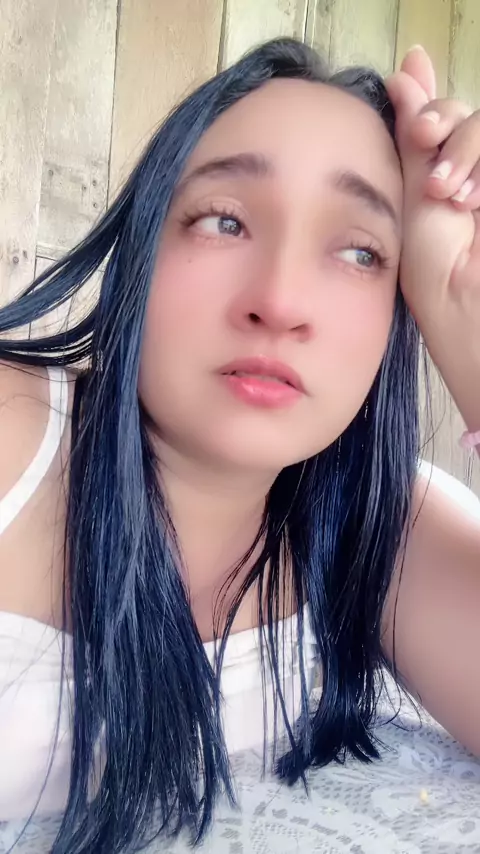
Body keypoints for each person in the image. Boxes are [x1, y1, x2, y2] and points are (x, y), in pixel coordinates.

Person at [0, 35, 478, 854]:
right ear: (142, 248)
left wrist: (468, 322)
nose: (280, 302)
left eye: (360, 251)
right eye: (225, 221)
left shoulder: (382, 523)